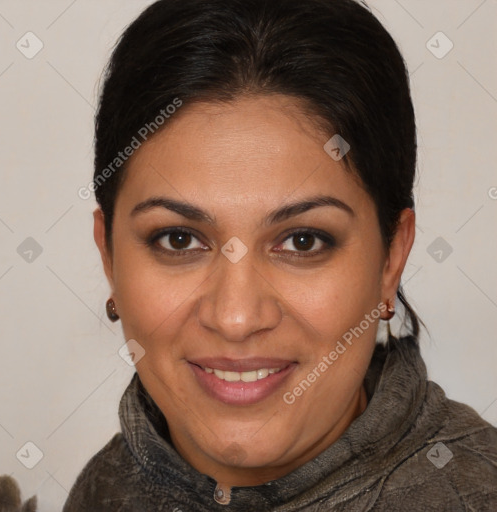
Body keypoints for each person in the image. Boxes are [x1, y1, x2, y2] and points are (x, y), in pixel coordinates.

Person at [63, 0, 497, 510]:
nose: (237, 318)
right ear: (109, 257)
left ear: (391, 259)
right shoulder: (102, 491)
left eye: (303, 241)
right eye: (179, 239)